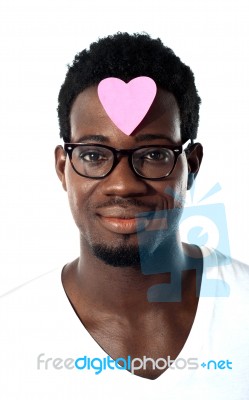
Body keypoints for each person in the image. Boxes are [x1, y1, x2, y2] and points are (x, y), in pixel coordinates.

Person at [1, 32, 249, 400]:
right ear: (61, 168)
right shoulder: (10, 335)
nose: (122, 185)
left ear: (191, 165)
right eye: (93, 155)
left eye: (153, 154)